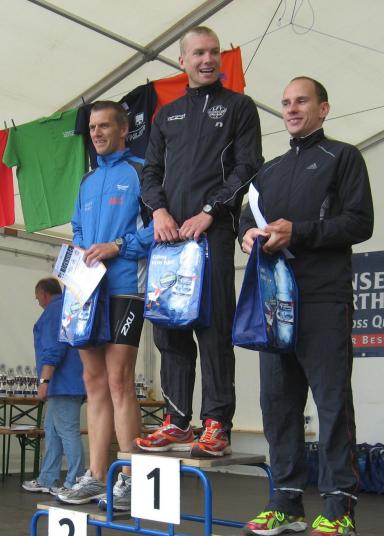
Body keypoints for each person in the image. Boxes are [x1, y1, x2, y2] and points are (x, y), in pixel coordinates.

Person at [239, 77, 373, 536]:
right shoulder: (268, 172)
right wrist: (247, 235)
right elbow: (246, 217)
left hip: (322, 298)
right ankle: (286, 502)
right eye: (286, 103)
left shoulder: (344, 157)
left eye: (301, 101)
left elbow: (360, 222)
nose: (292, 109)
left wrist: (299, 232)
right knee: (277, 405)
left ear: (324, 108)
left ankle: (339, 508)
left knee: (332, 403)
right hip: (275, 304)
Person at [136, 25, 262, 457]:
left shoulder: (239, 107)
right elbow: (150, 173)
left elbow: (248, 166)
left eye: (213, 52)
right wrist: (159, 211)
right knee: (168, 329)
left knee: (213, 328)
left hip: (213, 234)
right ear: (182, 61)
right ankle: (176, 422)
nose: (207, 60)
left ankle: (216, 424)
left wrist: (210, 211)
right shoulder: (166, 115)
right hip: (169, 239)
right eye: (198, 53)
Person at [56, 101, 152, 510]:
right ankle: (97, 476)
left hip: (125, 288)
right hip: (85, 291)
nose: (96, 133)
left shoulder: (142, 172)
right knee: (92, 382)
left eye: (104, 126)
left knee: (119, 381)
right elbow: (78, 226)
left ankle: (130, 477)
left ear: (123, 129)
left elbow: (159, 228)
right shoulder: (87, 180)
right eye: (92, 127)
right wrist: (80, 249)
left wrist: (118, 246)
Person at [23, 278, 85, 496]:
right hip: (69, 383)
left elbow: (53, 349)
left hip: (63, 384)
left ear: (44, 293)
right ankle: (47, 478)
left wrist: (44, 381)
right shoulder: (68, 308)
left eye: (37, 297)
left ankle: (75, 482)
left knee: (67, 431)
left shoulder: (52, 312)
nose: (37, 301)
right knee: (52, 430)